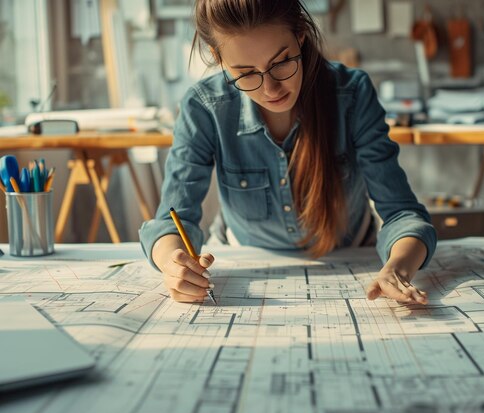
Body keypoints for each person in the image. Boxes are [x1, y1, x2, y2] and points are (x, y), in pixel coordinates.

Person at [139, 0, 437, 305]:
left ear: (300, 35)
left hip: (352, 260)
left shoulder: (352, 94)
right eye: (245, 73)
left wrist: (397, 268)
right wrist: (172, 264)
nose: (270, 88)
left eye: (281, 62)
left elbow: (401, 213)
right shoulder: (204, 107)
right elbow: (172, 219)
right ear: (218, 59)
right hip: (244, 260)